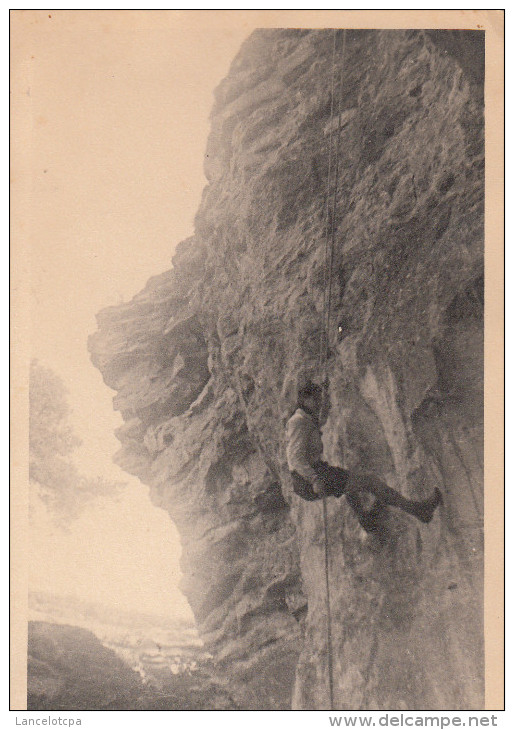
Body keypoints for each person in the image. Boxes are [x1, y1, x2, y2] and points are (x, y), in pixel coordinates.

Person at [285, 381, 442, 533]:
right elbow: (295, 457)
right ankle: (419, 510)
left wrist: (326, 396)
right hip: (307, 478)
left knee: (350, 484)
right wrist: (314, 479)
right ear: (305, 400)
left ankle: (367, 520)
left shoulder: (307, 418)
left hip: (314, 473)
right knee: (370, 482)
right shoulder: (298, 422)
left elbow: (320, 420)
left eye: (319, 398)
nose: (319, 402)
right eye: (316, 399)